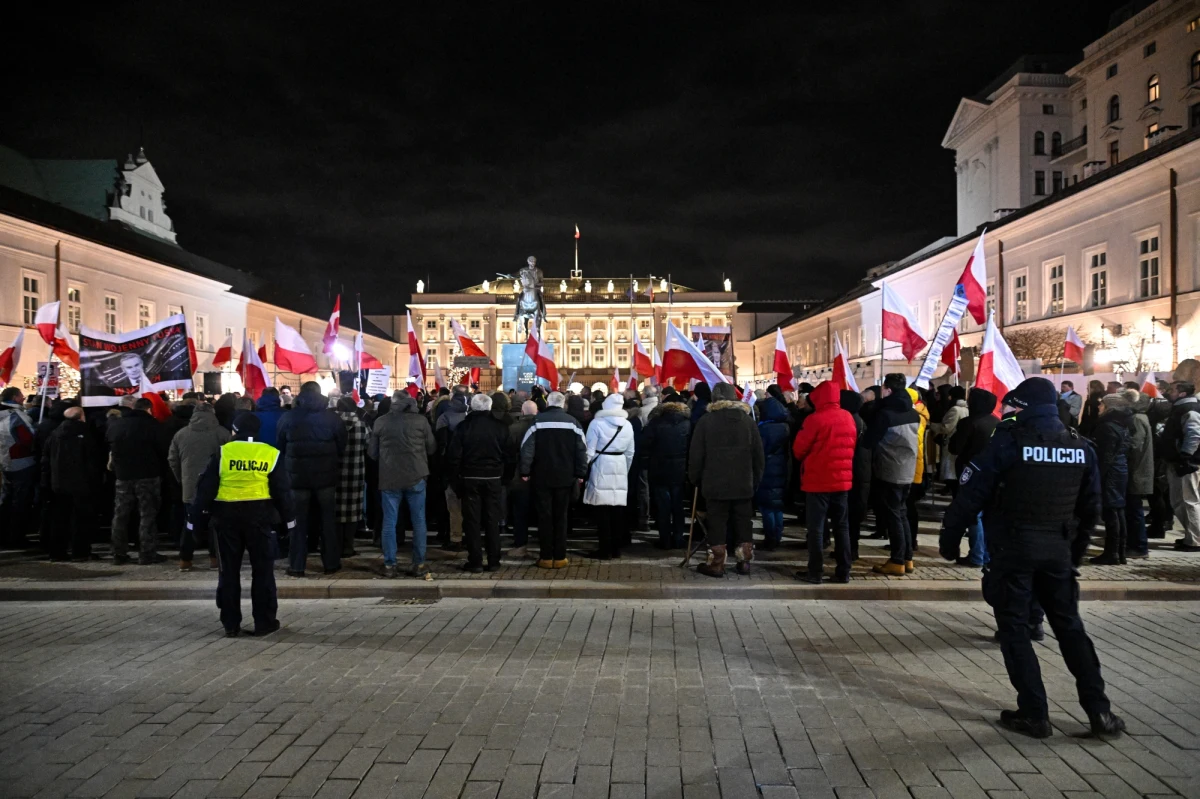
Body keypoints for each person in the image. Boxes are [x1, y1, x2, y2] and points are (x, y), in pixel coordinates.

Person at [939, 377, 1125, 740]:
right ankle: (1100, 712)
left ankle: (1034, 713)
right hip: (1057, 552)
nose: (1006, 413)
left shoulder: (1007, 443)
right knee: (1071, 629)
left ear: (1022, 408)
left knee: (1015, 630)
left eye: (1011, 408)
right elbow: (1091, 509)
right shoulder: (1080, 446)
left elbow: (970, 496)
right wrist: (1074, 554)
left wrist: (950, 542)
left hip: (1013, 550)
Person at [190, 413, 295, 637]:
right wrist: (289, 522)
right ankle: (264, 622)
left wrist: (195, 522)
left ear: (234, 430)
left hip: (227, 518)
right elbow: (282, 492)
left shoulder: (223, 452)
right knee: (263, 571)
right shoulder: (270, 454)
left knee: (228, 572)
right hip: (260, 517)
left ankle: (231, 624)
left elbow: (205, 490)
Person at [690, 382, 764, 577]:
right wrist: (754, 480)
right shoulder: (747, 422)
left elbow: (696, 455)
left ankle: (717, 563)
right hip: (743, 483)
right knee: (743, 522)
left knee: (717, 522)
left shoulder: (706, 421)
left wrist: (696, 479)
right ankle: (744, 561)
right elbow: (758, 456)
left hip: (714, 483)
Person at [276, 381, 348, 577]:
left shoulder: (288, 417)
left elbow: (280, 446)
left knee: (298, 523)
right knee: (327, 521)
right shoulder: (332, 418)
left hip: (297, 479)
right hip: (326, 478)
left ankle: (297, 565)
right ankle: (331, 563)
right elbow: (342, 445)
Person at [791, 381, 856, 584]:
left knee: (816, 529)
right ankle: (844, 571)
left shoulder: (814, 419)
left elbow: (799, 449)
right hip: (842, 482)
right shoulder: (848, 417)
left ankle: (815, 571)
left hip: (817, 481)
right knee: (842, 527)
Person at [370, 390, 436, 577]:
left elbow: (372, 453)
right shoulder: (421, 421)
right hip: (416, 475)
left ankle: (390, 564)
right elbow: (432, 447)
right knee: (418, 520)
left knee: (390, 521)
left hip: (389, 477)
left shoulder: (381, 421)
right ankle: (419, 563)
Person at [519, 391, 587, 568]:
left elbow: (527, 449)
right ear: (563, 404)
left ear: (548, 403)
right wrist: (581, 473)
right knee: (561, 516)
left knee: (544, 516)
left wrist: (525, 471)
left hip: (542, 475)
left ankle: (546, 556)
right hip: (565, 476)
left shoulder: (537, 421)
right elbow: (582, 450)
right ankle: (560, 556)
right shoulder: (573, 423)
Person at [447, 393, 512, 572]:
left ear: (472, 407)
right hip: (493, 478)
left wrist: (456, 482)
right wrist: (505, 478)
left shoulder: (463, 427)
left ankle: (475, 561)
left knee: (472, 521)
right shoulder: (501, 427)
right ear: (489, 407)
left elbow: (453, 457)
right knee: (492, 520)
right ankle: (493, 561)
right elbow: (509, 456)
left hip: (470, 478)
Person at [863, 374, 920, 576]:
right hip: (908, 469)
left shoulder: (886, 414)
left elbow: (869, 441)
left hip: (890, 469)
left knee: (893, 515)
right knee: (901, 513)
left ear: (887, 390)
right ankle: (907, 558)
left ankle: (897, 560)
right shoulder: (913, 413)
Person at [168, 400, 231, 570]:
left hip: (191, 486)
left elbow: (172, 459)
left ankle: (185, 560)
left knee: (190, 523)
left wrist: (182, 478)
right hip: (217, 486)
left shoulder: (181, 434)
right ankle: (215, 559)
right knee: (215, 524)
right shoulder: (223, 433)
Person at [107, 396, 169, 564]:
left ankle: (118, 553)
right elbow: (163, 450)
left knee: (120, 514)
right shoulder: (153, 426)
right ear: (149, 409)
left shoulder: (117, 425)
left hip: (123, 475)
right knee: (147, 514)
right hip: (148, 475)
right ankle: (147, 553)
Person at [946, 387, 998, 567]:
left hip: (970, 473)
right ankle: (985, 555)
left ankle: (976, 555)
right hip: (992, 473)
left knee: (974, 516)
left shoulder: (969, 423)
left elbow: (955, 448)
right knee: (987, 516)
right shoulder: (997, 422)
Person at [41, 405, 101, 561]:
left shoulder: (55, 434)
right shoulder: (85, 433)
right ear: (81, 416)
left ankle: (57, 552)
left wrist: (47, 481)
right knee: (81, 519)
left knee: (60, 518)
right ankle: (80, 552)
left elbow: (46, 460)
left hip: (58, 483)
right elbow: (92, 461)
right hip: (81, 484)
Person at [583, 393, 636, 560]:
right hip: (619, 464)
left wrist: (583, 468)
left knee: (602, 511)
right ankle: (616, 548)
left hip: (601, 464)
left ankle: (604, 548)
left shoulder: (596, 423)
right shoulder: (627, 425)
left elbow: (589, 450)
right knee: (617, 510)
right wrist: (625, 469)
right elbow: (630, 451)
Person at [1090, 390, 1132, 565]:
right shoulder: (1121, 424)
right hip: (1120, 471)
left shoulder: (1106, 426)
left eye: (1102, 404)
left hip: (1111, 474)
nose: (1098, 406)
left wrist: (1097, 477)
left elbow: (1105, 456)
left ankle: (1112, 553)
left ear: (1109, 407)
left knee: (1111, 513)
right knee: (1118, 511)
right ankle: (1119, 551)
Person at [643, 397, 690, 549]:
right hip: (680, 469)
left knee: (663, 506)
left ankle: (665, 539)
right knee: (678, 506)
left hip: (659, 468)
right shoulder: (687, 423)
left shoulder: (656, 423)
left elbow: (646, 444)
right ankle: (678, 538)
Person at [1163, 380, 1200, 551]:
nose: (1168, 392)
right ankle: (1190, 536)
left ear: (1182, 393)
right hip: (1179, 461)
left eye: (1172, 390)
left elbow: (1194, 434)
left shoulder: (1189, 408)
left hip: (1186, 463)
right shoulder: (1181, 407)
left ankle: (1195, 540)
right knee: (1179, 501)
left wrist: (1186, 457)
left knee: (1188, 501)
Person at [0, 387, 36, 548]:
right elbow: (28, 439)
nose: (23, 398)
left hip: (4, 463)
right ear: (15, 397)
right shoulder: (15, 416)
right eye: (21, 396)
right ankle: (17, 537)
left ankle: (5, 534)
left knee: (6, 500)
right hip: (21, 463)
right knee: (20, 501)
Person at [434, 387, 469, 550]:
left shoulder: (444, 418)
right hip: (467, 466)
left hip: (449, 466)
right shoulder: (468, 418)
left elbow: (440, 444)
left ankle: (454, 537)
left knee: (452, 504)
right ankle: (467, 535)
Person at [755, 394, 791, 551]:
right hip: (782, 470)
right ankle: (778, 535)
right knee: (777, 507)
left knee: (767, 507)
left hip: (767, 471)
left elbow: (759, 451)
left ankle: (770, 538)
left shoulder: (763, 429)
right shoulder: (786, 427)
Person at [335, 396, 367, 559]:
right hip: (355, 471)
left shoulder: (332, 423)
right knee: (352, 510)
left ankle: (336, 545)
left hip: (334, 471)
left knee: (336, 509)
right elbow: (367, 446)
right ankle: (348, 546)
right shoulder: (361, 424)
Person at [507, 400, 539, 557]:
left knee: (520, 511)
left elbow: (508, 452)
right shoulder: (541, 428)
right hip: (540, 475)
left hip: (518, 476)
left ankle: (520, 543)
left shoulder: (513, 428)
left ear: (523, 412)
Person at [1125, 391, 1154, 559]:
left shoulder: (1136, 419)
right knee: (1134, 509)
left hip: (1136, 471)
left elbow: (1135, 446)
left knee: (1134, 510)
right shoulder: (1142, 418)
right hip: (1139, 470)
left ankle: (1139, 546)